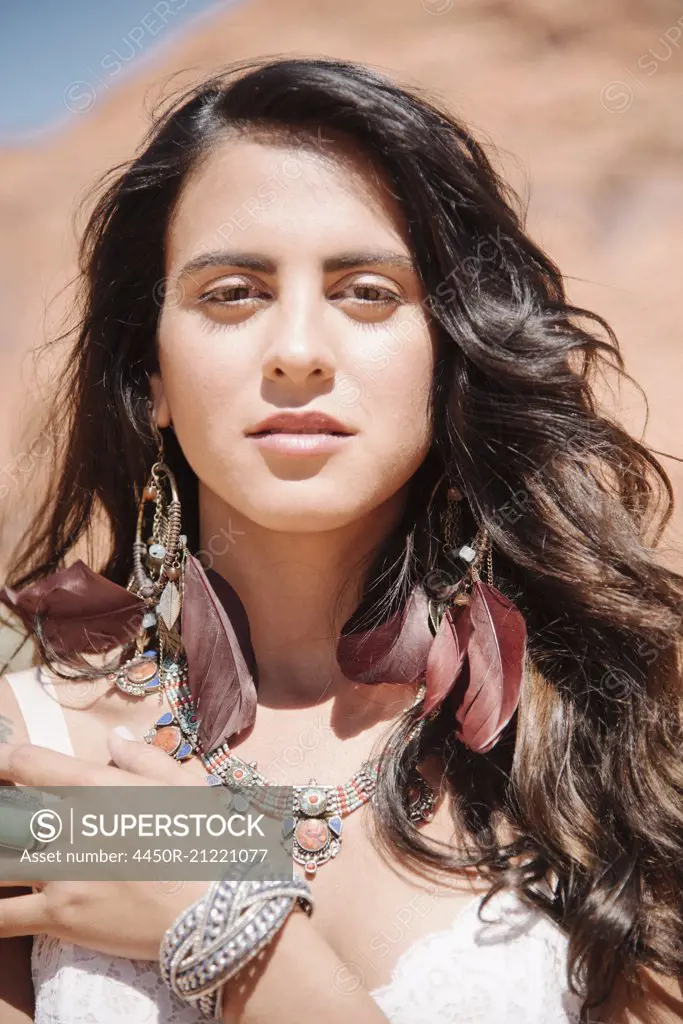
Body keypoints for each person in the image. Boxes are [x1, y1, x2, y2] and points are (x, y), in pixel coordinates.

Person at [0, 54, 682, 1024]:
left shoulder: (608, 740)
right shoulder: (35, 754)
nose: (296, 350)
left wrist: (227, 918)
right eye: (231, 292)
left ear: (448, 353)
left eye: (365, 291)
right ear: (147, 372)